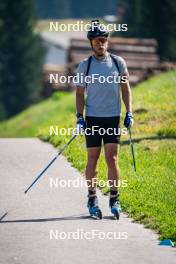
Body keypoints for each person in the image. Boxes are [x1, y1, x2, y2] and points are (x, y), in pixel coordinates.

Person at [76, 20, 133, 219]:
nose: (100, 44)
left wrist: (130, 112)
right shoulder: (85, 65)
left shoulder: (118, 62)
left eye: (103, 40)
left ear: (107, 42)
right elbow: (79, 93)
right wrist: (79, 117)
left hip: (112, 118)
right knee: (93, 159)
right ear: (91, 43)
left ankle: (114, 198)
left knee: (112, 158)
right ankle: (92, 197)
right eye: (96, 41)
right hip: (92, 119)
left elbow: (125, 89)